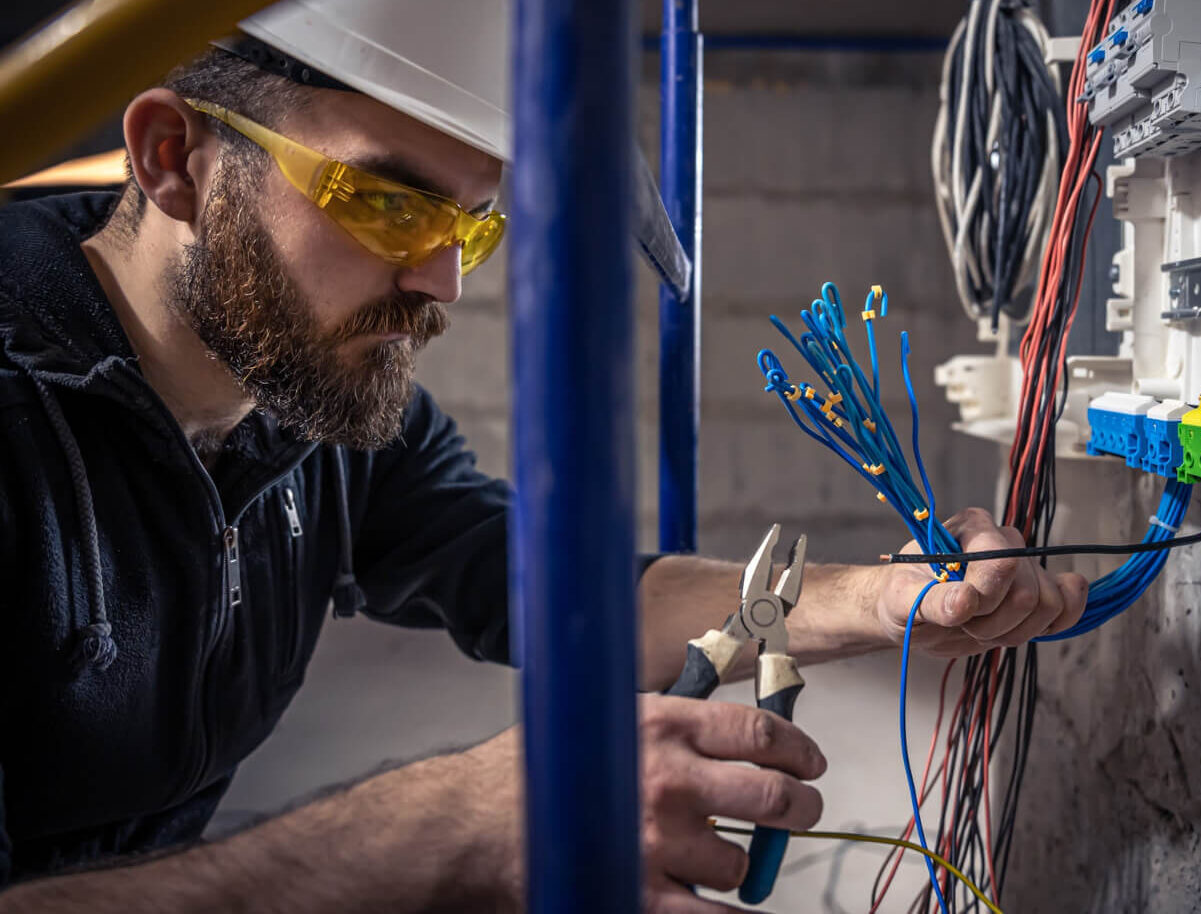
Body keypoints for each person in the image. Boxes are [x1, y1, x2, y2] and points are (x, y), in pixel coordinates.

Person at [0, 2, 1088, 910]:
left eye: (472, 226)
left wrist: (883, 597)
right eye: (384, 201)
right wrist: (445, 821)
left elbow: (550, 587)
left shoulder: (314, 414)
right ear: (173, 157)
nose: (444, 283)